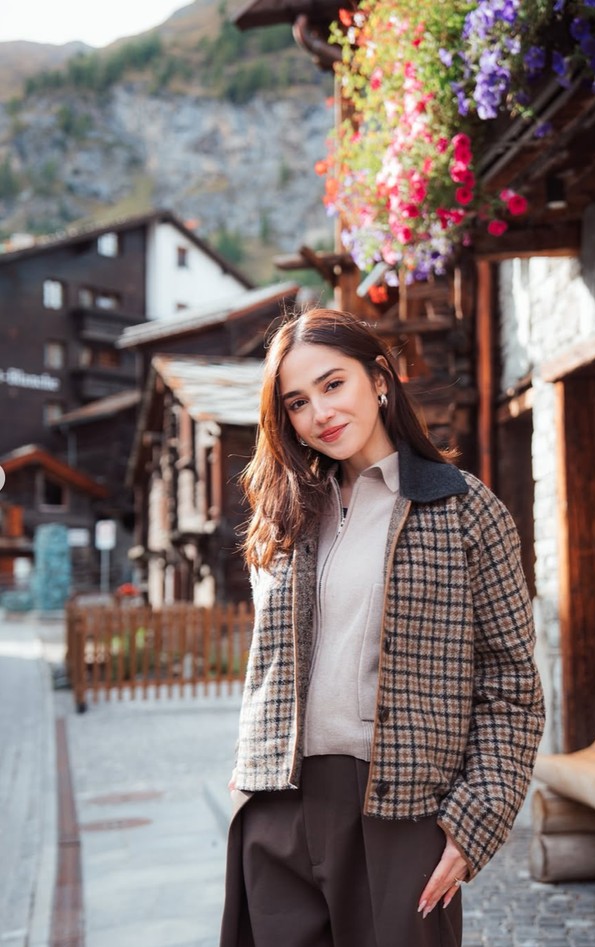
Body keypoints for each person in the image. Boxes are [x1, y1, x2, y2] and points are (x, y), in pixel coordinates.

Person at [220, 308, 545, 947]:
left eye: (333, 384)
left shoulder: (465, 511)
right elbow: (272, 664)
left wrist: (474, 821)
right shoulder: (285, 515)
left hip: (400, 813)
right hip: (278, 808)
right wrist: (246, 774)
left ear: (379, 380)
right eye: (296, 401)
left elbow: (512, 687)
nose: (319, 412)